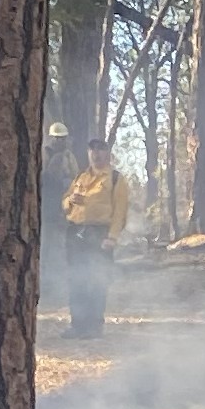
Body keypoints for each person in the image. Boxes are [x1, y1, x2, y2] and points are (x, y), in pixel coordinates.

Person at [58, 135, 129, 338]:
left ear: (108, 153)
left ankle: (94, 326)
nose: (96, 154)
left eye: (100, 149)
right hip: (76, 232)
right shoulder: (81, 177)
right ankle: (77, 324)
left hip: (100, 234)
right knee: (76, 278)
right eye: (92, 150)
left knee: (97, 280)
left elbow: (120, 212)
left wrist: (112, 237)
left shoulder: (116, 179)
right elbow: (64, 202)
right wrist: (70, 199)